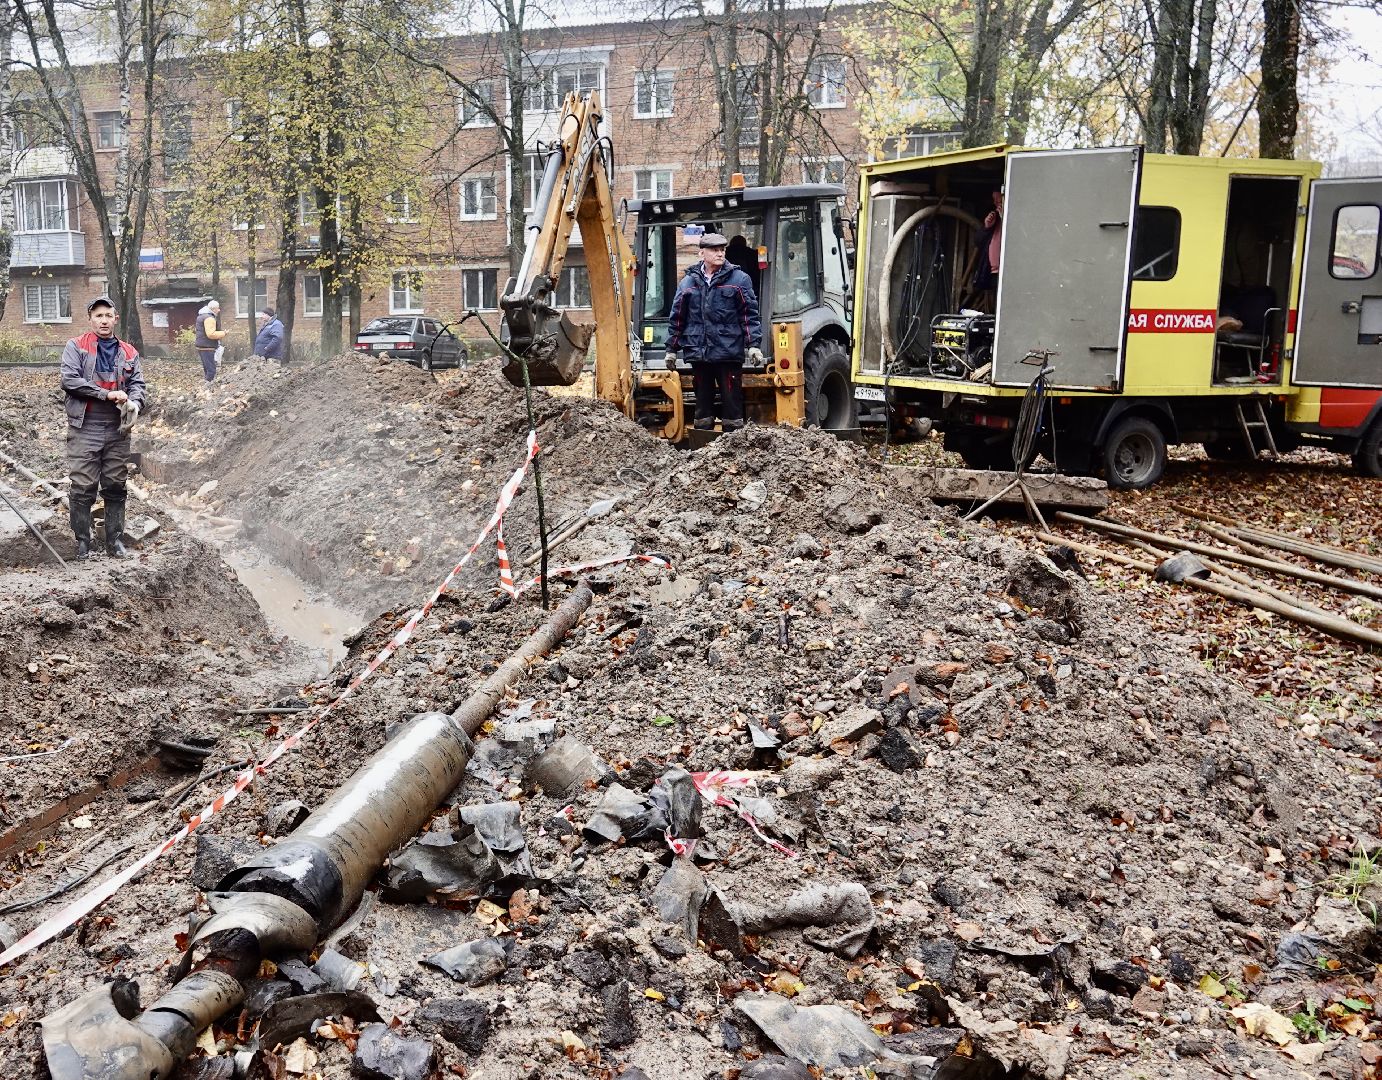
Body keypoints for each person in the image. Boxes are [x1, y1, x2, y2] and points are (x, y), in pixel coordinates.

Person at [60, 296, 146, 560]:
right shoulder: (76, 346)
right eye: (98, 316)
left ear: (115, 319)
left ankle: (114, 540)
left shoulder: (130, 352)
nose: (104, 320)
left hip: (117, 428)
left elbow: (138, 384)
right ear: (90, 319)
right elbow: (70, 381)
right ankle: (83, 541)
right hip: (85, 425)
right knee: (83, 484)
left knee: (115, 484)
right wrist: (105, 395)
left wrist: (135, 403)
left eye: (108, 315)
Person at [665, 232, 763, 431]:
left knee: (732, 405)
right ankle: (703, 449)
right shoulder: (688, 282)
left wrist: (754, 346)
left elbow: (749, 315)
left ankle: (733, 447)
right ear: (702, 253)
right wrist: (671, 349)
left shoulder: (739, 279)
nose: (720, 254)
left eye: (722, 250)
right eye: (715, 250)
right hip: (699, 354)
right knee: (702, 407)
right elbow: (678, 318)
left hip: (728, 353)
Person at [969, 190, 1003, 313]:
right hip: (993, 271)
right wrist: (987, 227)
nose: (995, 202)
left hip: (1006, 272)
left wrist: (1005, 218)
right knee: (995, 307)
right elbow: (978, 241)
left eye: (998, 198)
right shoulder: (995, 218)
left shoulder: (1010, 216)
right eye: (994, 199)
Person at [194, 298, 227, 382]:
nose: (219, 310)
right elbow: (210, 334)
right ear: (213, 309)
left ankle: (206, 385)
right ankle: (207, 387)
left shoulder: (201, 316)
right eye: (218, 308)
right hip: (207, 347)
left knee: (207, 369)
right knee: (211, 370)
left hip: (202, 346)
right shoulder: (209, 318)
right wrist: (223, 333)